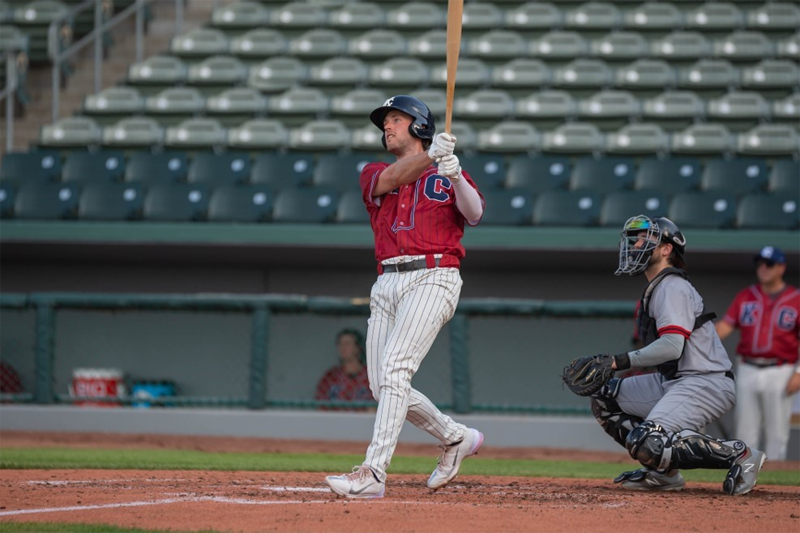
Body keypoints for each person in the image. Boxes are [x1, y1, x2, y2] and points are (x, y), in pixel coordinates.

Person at [324, 95, 485, 499]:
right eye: (385, 122)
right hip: (387, 281)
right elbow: (392, 180)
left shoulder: (442, 169)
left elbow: (475, 212)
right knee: (381, 386)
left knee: (396, 368)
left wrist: (455, 173)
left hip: (434, 275)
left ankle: (373, 473)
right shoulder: (376, 171)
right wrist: (433, 155)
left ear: (418, 125)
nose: (387, 127)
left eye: (396, 119)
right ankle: (454, 437)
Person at [588, 215, 765, 494]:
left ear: (667, 249)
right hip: (675, 381)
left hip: (705, 381)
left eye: (647, 238)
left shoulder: (671, 286)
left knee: (649, 440)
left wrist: (617, 362)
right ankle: (663, 474)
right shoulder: (658, 287)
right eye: (636, 239)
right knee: (604, 397)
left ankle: (739, 455)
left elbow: (672, 346)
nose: (637, 243)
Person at [715, 246, 800, 461]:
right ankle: (744, 476)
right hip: (747, 367)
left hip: (781, 369)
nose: (763, 268)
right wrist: (696, 342)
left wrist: (799, 373)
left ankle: (772, 489)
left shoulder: (796, 298)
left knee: (777, 434)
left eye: (769, 264)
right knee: (745, 432)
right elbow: (724, 327)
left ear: (781, 267)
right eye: (760, 263)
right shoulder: (746, 295)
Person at [315, 329, 373, 410]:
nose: (343, 347)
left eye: (347, 344)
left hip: (363, 421)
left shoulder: (370, 375)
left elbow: (377, 405)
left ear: (357, 348)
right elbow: (320, 404)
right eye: (340, 344)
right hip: (335, 421)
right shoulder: (331, 376)